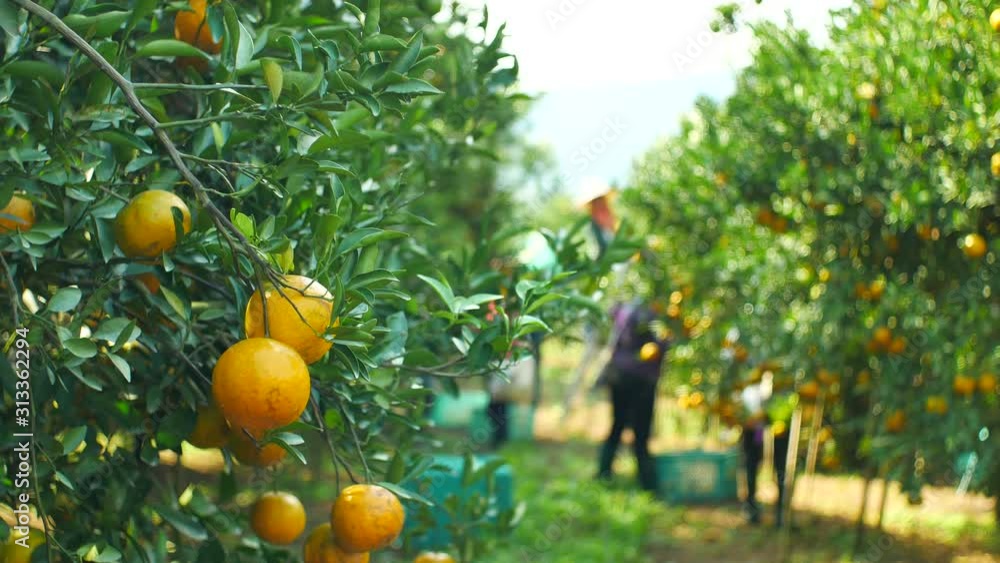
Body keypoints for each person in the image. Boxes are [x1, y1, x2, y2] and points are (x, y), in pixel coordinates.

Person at [597, 301, 669, 492]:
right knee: (640, 433)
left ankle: (604, 475)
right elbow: (662, 342)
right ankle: (647, 484)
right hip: (641, 379)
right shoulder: (652, 314)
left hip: (621, 374)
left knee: (618, 426)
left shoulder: (625, 308)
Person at [740, 378, 794, 526]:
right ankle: (752, 509)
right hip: (757, 431)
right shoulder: (750, 388)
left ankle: (781, 514)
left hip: (778, 432)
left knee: (781, 469)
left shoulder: (783, 389)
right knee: (752, 467)